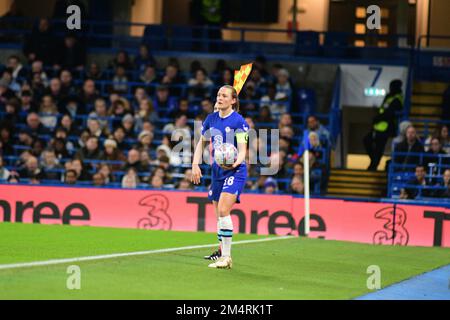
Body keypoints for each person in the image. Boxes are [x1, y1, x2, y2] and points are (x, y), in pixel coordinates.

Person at [191, 85, 249, 269]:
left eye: (224, 95)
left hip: (235, 170)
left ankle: (227, 257)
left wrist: (235, 163)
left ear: (233, 100)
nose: (219, 98)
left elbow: (242, 151)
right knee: (219, 213)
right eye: (218, 95)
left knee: (224, 210)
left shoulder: (239, 121)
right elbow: (202, 142)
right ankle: (220, 252)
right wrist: (195, 164)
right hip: (217, 171)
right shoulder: (211, 119)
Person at [363, 79, 403, 171]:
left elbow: (389, 113)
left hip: (387, 127)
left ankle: (373, 166)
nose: (390, 88)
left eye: (392, 86)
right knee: (367, 140)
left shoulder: (397, 99)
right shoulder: (389, 96)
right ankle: (374, 161)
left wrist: (377, 118)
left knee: (379, 148)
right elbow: (383, 109)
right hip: (378, 126)